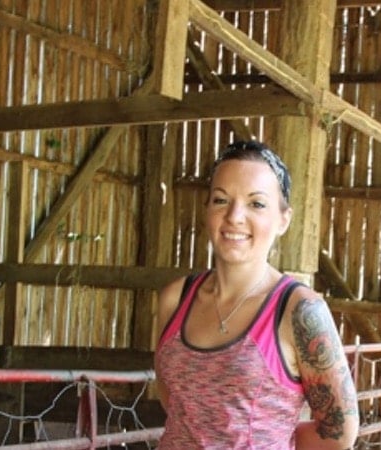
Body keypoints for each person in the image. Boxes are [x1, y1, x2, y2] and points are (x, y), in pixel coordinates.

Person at [154, 140, 359, 449]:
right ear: (207, 209)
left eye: (256, 204)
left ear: (283, 220)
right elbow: (172, 399)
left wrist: (273, 438)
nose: (235, 216)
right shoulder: (174, 298)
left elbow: (339, 432)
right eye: (221, 200)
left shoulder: (299, 311)